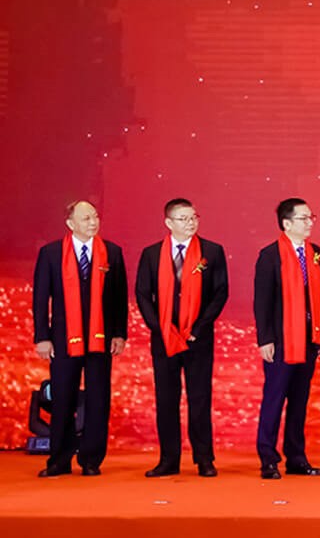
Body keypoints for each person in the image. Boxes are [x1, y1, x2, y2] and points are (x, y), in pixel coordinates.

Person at [31, 200, 128, 477]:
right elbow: (41, 298)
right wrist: (42, 337)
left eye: (95, 217)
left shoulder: (112, 252)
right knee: (63, 397)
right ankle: (59, 460)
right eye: (86, 218)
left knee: (98, 398)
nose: (93, 222)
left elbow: (119, 298)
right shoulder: (51, 253)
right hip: (63, 339)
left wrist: (119, 333)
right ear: (70, 223)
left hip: (101, 338)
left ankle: (91, 460)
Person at [133, 198, 228, 478]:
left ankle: (204, 459)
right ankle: (168, 460)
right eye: (183, 219)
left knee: (199, 398)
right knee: (166, 399)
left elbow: (220, 293)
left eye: (193, 217)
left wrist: (198, 328)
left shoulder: (212, 251)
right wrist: (158, 328)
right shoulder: (151, 254)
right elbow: (142, 294)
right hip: (164, 339)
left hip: (198, 338)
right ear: (168, 222)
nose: (190, 223)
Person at [254, 197, 320, 480]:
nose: (309, 223)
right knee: (274, 399)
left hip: (309, 338)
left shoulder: (315, 253)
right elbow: (262, 301)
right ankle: (268, 459)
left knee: (299, 400)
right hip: (281, 339)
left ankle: (296, 458)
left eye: (311, 217)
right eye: (303, 218)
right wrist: (265, 339)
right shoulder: (270, 255)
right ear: (286, 223)